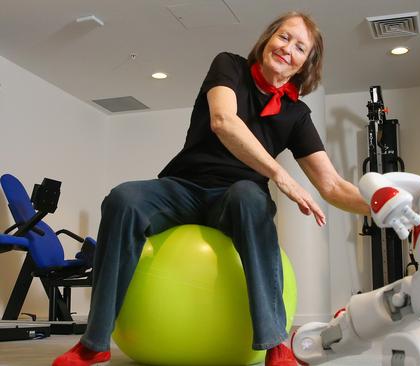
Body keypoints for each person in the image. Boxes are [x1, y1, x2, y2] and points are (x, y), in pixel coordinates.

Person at [53, 11, 369, 366]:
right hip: (183, 187)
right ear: (267, 39)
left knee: (250, 195)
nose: (287, 49)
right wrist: (281, 175)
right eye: (283, 37)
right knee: (123, 198)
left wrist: (383, 205)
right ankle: (95, 342)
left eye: (299, 47)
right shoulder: (229, 66)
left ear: (303, 66)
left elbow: (332, 185)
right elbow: (223, 121)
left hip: (237, 199)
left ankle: (275, 345)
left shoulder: (296, 114)